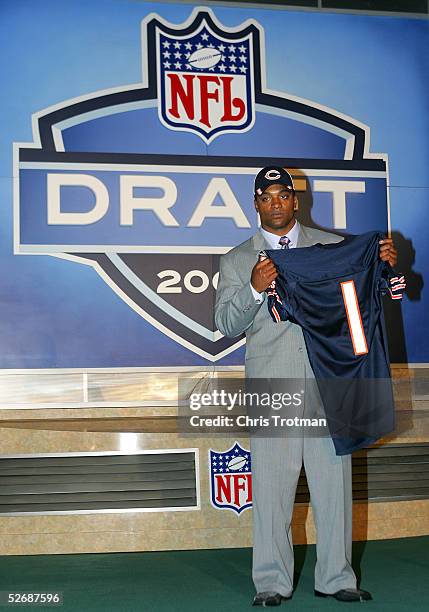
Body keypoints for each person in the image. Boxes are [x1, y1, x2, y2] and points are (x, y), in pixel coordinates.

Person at [214, 166, 397, 606]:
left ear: (296, 201)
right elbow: (223, 324)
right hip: (272, 383)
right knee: (272, 492)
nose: (275, 203)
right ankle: (271, 583)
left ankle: (336, 578)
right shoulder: (239, 258)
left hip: (328, 380)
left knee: (334, 486)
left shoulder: (334, 249)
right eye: (266, 197)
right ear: (255, 204)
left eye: (283, 195)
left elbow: (369, 302)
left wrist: (383, 268)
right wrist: (255, 290)